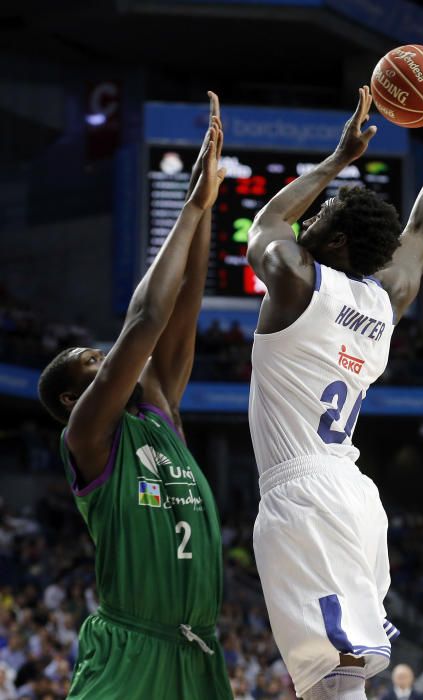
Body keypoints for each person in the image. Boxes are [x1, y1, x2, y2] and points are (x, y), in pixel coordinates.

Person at [247, 71, 423, 700]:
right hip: (354, 493)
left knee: (335, 680)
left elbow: (266, 224)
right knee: (336, 678)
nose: (309, 221)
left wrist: (338, 159)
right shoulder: (384, 299)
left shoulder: (296, 281)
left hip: (304, 495)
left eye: (322, 217)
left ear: (336, 238)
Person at [37, 94, 233, 699]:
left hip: (197, 650)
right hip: (129, 652)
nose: (108, 360)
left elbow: (179, 316)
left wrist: (205, 213)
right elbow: (147, 318)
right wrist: (189, 204)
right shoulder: (88, 438)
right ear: (76, 400)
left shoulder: (159, 415)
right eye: (93, 364)